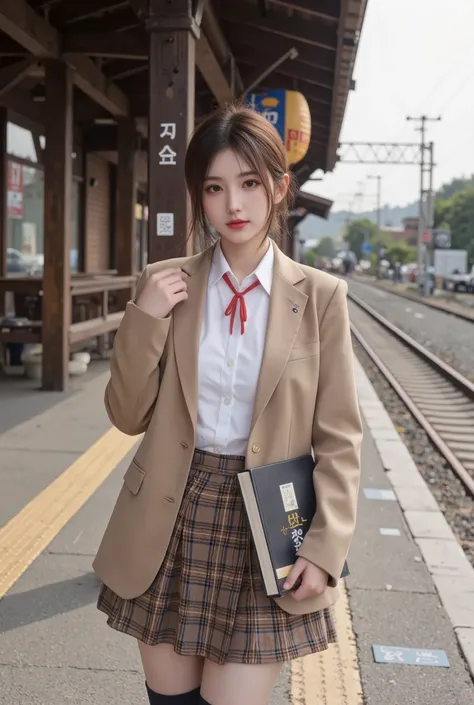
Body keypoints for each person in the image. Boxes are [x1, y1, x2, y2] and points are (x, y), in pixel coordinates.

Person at [93, 104, 362, 705]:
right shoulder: (167, 284)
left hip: (266, 523)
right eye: (214, 188)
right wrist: (145, 319)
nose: (233, 205)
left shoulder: (320, 298)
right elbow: (127, 414)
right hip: (172, 512)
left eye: (249, 183)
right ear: (199, 196)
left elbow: (340, 439)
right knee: (170, 699)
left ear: (278, 187)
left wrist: (324, 548)